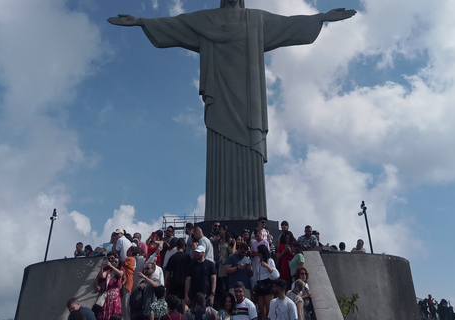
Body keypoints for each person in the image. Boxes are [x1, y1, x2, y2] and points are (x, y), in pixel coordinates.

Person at [107, 1, 356, 222]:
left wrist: (319, 18)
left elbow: (288, 25)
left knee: (249, 142)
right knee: (220, 144)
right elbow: (176, 25)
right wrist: (141, 22)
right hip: (220, 99)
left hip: (249, 101)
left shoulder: (256, 19)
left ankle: (253, 214)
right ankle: (219, 213)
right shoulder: (206, 19)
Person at [254, 245, 279, 320]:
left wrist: (267, 266)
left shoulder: (270, 260)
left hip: (268, 283)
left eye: (259, 252)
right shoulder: (258, 262)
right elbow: (256, 275)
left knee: (269, 308)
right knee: (261, 309)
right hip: (260, 283)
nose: (258, 254)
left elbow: (276, 275)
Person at [165, 238, 192, 307]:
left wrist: (166, 283)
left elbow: (168, 272)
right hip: (185, 282)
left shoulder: (172, 257)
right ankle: (185, 316)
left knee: (171, 301)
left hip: (174, 281)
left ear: (176, 247)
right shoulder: (188, 258)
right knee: (184, 301)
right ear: (184, 247)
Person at [97, 256, 124, 320]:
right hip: (107, 294)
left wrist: (111, 266)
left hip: (115, 295)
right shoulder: (108, 272)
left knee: (114, 311)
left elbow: (120, 274)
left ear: (118, 264)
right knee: (105, 311)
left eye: (115, 262)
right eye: (112, 261)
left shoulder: (120, 271)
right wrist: (101, 267)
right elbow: (102, 276)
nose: (113, 262)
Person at [122, 246, 138, 320]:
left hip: (127, 282)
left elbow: (121, 262)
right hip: (128, 281)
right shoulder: (133, 259)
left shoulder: (130, 259)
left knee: (125, 302)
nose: (126, 251)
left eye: (128, 250)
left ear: (131, 252)